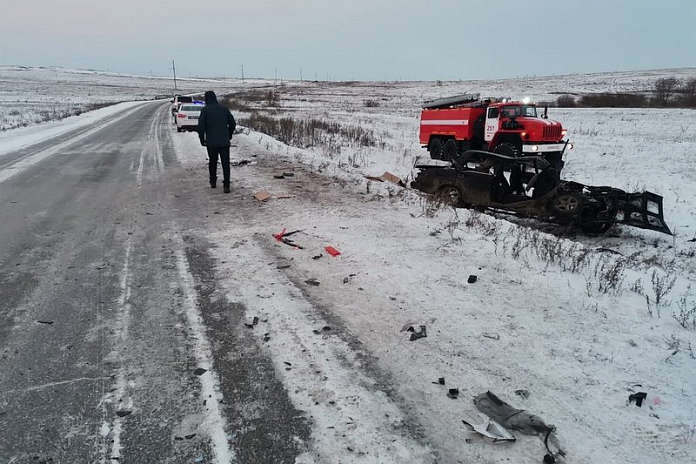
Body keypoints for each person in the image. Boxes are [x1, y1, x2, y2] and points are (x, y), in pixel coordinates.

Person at [197, 91, 236, 193]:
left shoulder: (205, 110)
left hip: (211, 142)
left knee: (212, 162)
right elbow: (232, 123)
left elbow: (201, 127)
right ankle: (226, 185)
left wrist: (202, 139)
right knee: (225, 163)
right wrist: (229, 134)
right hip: (224, 141)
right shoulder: (224, 109)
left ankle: (213, 181)